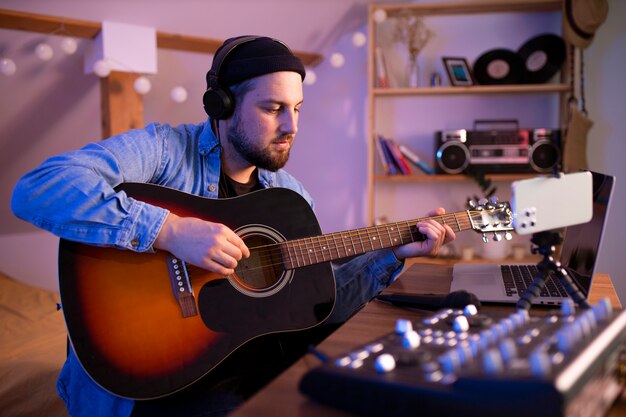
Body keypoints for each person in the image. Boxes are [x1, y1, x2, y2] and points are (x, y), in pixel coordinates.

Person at [11, 35, 456, 417]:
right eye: (273, 108)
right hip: (159, 378)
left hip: (254, 368)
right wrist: (169, 231)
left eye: (298, 108)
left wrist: (394, 252)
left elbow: (323, 306)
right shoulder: (165, 150)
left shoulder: (291, 198)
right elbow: (38, 188)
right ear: (221, 105)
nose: (291, 126)